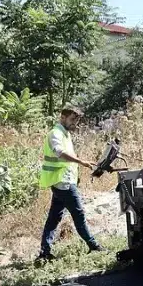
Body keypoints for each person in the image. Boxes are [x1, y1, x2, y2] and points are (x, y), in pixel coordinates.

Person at [38, 104, 103, 262]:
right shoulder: (55, 133)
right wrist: (81, 161)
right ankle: (94, 246)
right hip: (62, 183)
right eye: (72, 119)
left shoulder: (65, 134)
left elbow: (67, 161)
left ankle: (44, 252)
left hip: (63, 181)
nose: (75, 123)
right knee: (78, 214)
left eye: (77, 120)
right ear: (62, 117)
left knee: (54, 217)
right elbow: (60, 153)